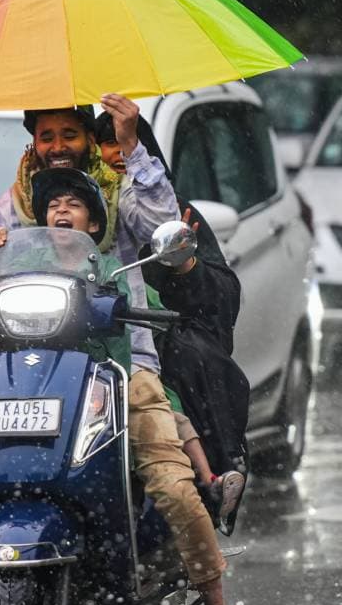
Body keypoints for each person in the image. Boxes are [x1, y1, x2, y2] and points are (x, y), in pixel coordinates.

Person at [0, 97, 267, 605]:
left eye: (70, 133)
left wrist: (133, 142)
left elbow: (163, 222)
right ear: (33, 143)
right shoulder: (15, 208)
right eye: (47, 136)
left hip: (121, 367)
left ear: (88, 142)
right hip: (31, 367)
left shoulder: (117, 197)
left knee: (172, 483)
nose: (58, 145)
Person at [95, 111, 251, 534]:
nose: (118, 153)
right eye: (107, 143)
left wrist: (185, 265)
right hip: (86, 337)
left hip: (157, 337)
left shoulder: (170, 209)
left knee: (189, 356)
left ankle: (212, 480)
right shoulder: (74, 209)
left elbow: (221, 299)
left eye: (128, 141)